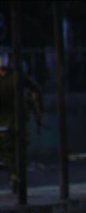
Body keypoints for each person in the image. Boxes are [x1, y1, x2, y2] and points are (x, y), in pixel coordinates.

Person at [0, 47, 43, 193]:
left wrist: (35, 104)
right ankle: (14, 174)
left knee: (19, 147)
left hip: (17, 118)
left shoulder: (16, 76)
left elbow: (34, 88)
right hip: (2, 119)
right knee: (6, 150)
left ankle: (17, 175)